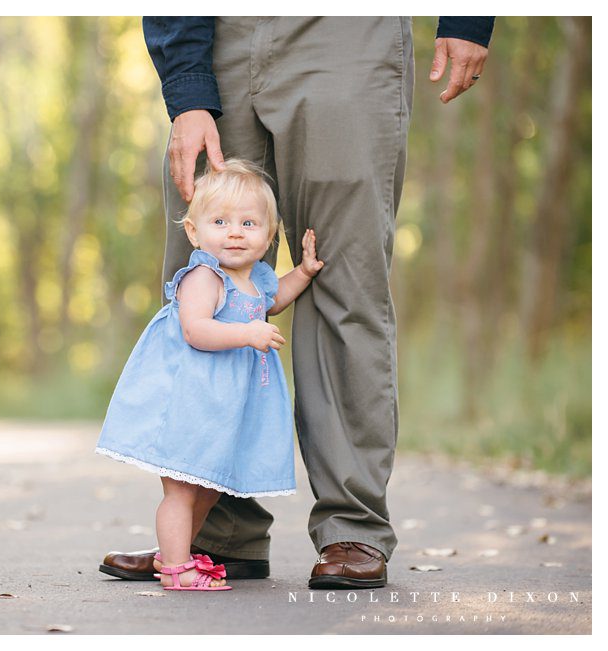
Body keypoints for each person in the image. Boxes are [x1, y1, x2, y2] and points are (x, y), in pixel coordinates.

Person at [100, 17, 493, 589]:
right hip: (217, 34)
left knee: (341, 278)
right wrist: (186, 85)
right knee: (204, 279)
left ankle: (351, 526)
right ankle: (208, 533)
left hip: (346, 35)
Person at [95, 159, 323, 591]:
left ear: (269, 235)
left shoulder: (255, 276)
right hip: (192, 401)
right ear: (195, 232)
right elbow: (195, 330)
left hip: (226, 408)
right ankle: (178, 570)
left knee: (210, 487)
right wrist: (246, 333)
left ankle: (173, 556)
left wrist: (304, 272)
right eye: (220, 221)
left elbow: (273, 301)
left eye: (249, 223)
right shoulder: (204, 276)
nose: (235, 232)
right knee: (181, 489)